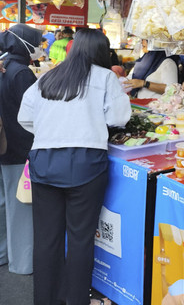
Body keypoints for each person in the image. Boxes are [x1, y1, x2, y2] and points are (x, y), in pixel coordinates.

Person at [17, 29, 131, 304]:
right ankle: (77, 299)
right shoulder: (105, 77)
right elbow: (120, 117)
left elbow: (25, 117)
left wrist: (52, 131)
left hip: (43, 162)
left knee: (46, 239)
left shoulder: (48, 76)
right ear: (102, 52)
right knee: (80, 239)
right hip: (85, 165)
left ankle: (45, 299)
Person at [0, 24, 42, 276]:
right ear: (25, 43)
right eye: (37, 42)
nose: (40, 48)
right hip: (20, 147)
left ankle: (4, 254)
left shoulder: (4, 67)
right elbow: (35, 113)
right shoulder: (21, 72)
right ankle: (22, 263)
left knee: (4, 205)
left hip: (5, 146)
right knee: (21, 209)